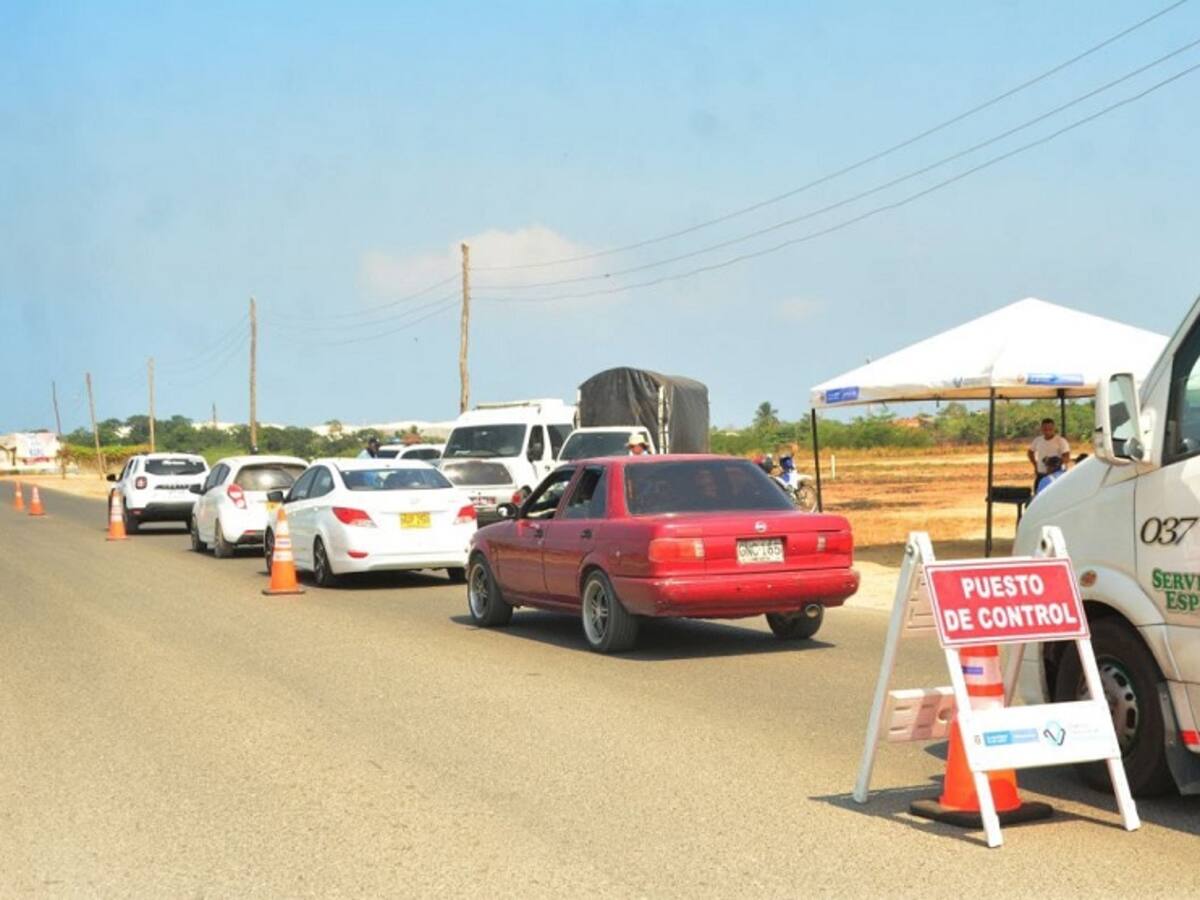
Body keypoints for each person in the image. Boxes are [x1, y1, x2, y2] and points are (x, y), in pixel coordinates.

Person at [1027, 418, 1069, 494]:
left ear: (1054, 428)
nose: (1047, 431)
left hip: (1055, 476)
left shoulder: (1060, 441)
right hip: (1041, 474)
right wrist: (1035, 464)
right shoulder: (1038, 440)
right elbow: (1030, 452)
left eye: (1050, 429)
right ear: (1041, 429)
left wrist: (1054, 463)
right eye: (1045, 429)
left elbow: (1066, 457)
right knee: (1038, 496)